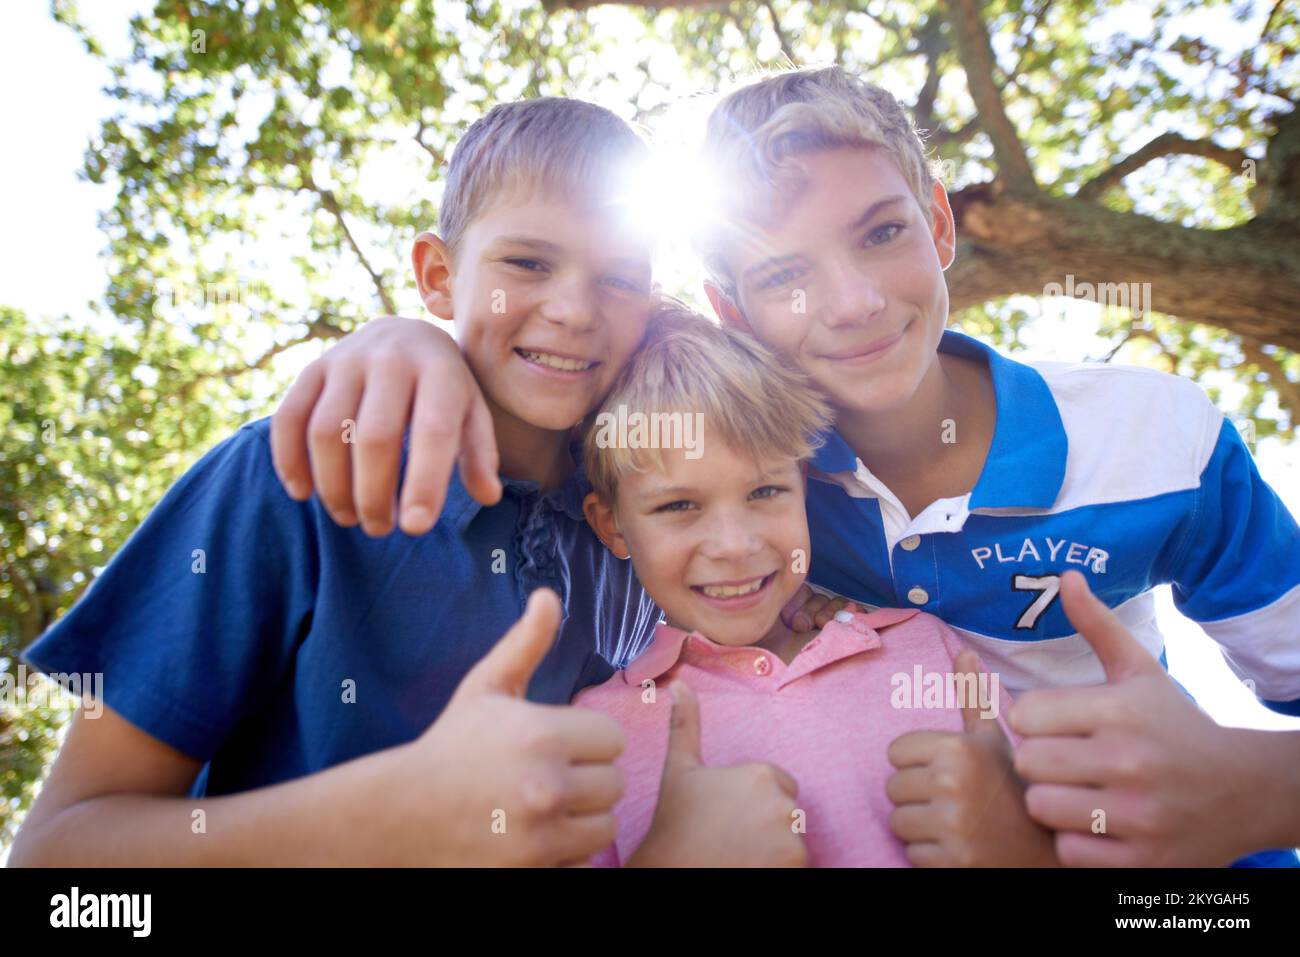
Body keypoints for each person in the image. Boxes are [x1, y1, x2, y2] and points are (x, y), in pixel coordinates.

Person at [273, 69, 1300, 866]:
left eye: (882, 232)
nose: (850, 302)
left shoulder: (1159, 438)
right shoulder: (761, 469)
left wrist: (1255, 784)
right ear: (733, 311)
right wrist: (407, 340)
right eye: (783, 274)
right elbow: (599, 414)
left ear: (939, 223)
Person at [572, 300, 1053, 866]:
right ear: (612, 526)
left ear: (803, 486)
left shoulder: (927, 647)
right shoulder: (593, 735)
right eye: (679, 505)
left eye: (764, 492)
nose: (736, 545)